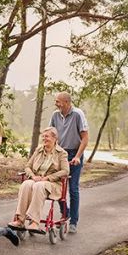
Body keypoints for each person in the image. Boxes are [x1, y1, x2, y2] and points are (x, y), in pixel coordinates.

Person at [8, 127, 70, 232]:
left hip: (53, 184)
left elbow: (65, 171)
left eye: (47, 136)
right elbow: (27, 166)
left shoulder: (61, 153)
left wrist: (47, 178)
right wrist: (33, 176)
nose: (44, 139)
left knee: (39, 185)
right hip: (37, 180)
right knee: (26, 184)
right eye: (43, 136)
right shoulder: (39, 150)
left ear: (54, 138)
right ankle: (20, 220)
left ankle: (34, 222)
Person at [50, 91, 89, 233]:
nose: (56, 103)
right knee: (59, 188)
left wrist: (78, 156)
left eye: (58, 101)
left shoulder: (78, 114)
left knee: (72, 188)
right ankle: (65, 213)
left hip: (74, 154)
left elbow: (85, 138)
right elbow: (51, 134)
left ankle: (73, 221)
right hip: (60, 155)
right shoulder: (55, 115)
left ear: (66, 102)